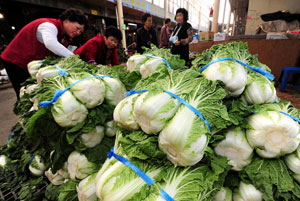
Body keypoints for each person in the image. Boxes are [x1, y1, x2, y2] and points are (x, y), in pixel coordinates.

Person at [0, 8, 88, 98]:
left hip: (28, 63)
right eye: (77, 28)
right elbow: (51, 43)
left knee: (33, 92)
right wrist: (76, 60)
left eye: (80, 32)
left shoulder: (64, 37)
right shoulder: (49, 25)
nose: (78, 32)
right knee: (24, 93)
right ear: (67, 20)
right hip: (15, 60)